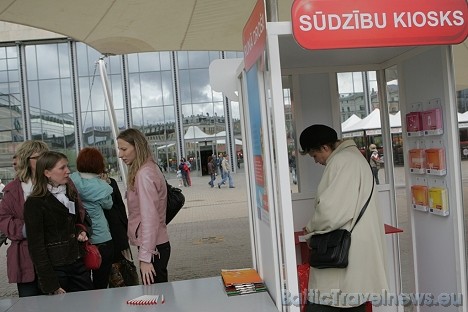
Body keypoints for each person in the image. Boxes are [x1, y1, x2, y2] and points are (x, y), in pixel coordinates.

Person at [299, 124, 388, 311]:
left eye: (314, 155)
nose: (316, 161)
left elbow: (332, 211)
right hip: (355, 247)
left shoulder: (342, 161)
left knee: (331, 302)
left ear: (325, 147)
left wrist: (310, 229)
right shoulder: (354, 158)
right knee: (353, 301)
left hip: (344, 251)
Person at [23, 151, 94, 295]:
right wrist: (50, 283)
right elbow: (36, 247)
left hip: (78, 264)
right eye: (62, 168)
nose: (68, 171)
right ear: (47, 173)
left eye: (67, 166)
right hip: (56, 270)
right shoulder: (34, 203)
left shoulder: (70, 193)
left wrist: (80, 231)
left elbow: (76, 222)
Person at [117, 128, 170, 285]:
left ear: (137, 147)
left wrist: (145, 257)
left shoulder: (143, 174)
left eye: (124, 149)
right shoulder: (150, 168)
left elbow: (150, 218)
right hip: (156, 245)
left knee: (154, 297)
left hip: (152, 249)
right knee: (159, 295)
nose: (120, 154)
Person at [0, 140, 49, 297]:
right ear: (26, 160)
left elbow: (77, 211)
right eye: (38, 157)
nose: (44, 161)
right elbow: (4, 219)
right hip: (25, 258)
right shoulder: (12, 190)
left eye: (45, 157)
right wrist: (27, 228)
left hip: (55, 256)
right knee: (29, 304)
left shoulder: (59, 182)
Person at [70, 147, 114, 289]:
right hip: (101, 237)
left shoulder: (71, 181)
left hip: (79, 237)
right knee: (101, 281)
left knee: (82, 283)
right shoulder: (102, 187)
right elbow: (108, 205)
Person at [100, 171, 138, 287]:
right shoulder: (89, 186)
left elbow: (120, 205)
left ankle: (128, 283)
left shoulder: (111, 182)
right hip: (104, 230)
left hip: (117, 229)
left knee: (124, 262)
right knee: (110, 264)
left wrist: (126, 227)